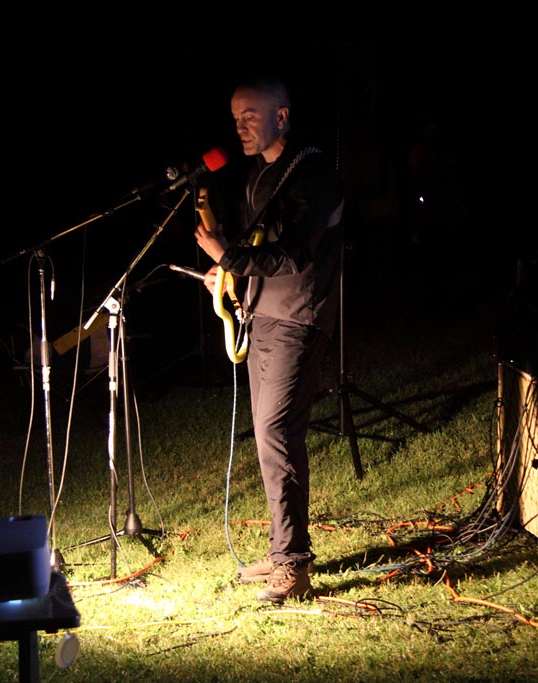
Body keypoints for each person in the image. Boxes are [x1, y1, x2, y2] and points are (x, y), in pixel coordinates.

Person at [194, 74, 344, 603]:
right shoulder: (260, 174)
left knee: (277, 433)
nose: (240, 127)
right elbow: (259, 246)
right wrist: (229, 272)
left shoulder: (313, 172)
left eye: (250, 116)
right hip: (261, 315)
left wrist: (227, 256)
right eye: (235, 118)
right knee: (267, 437)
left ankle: (293, 566)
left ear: (282, 116)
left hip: (298, 317)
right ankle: (284, 546)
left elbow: (295, 253)